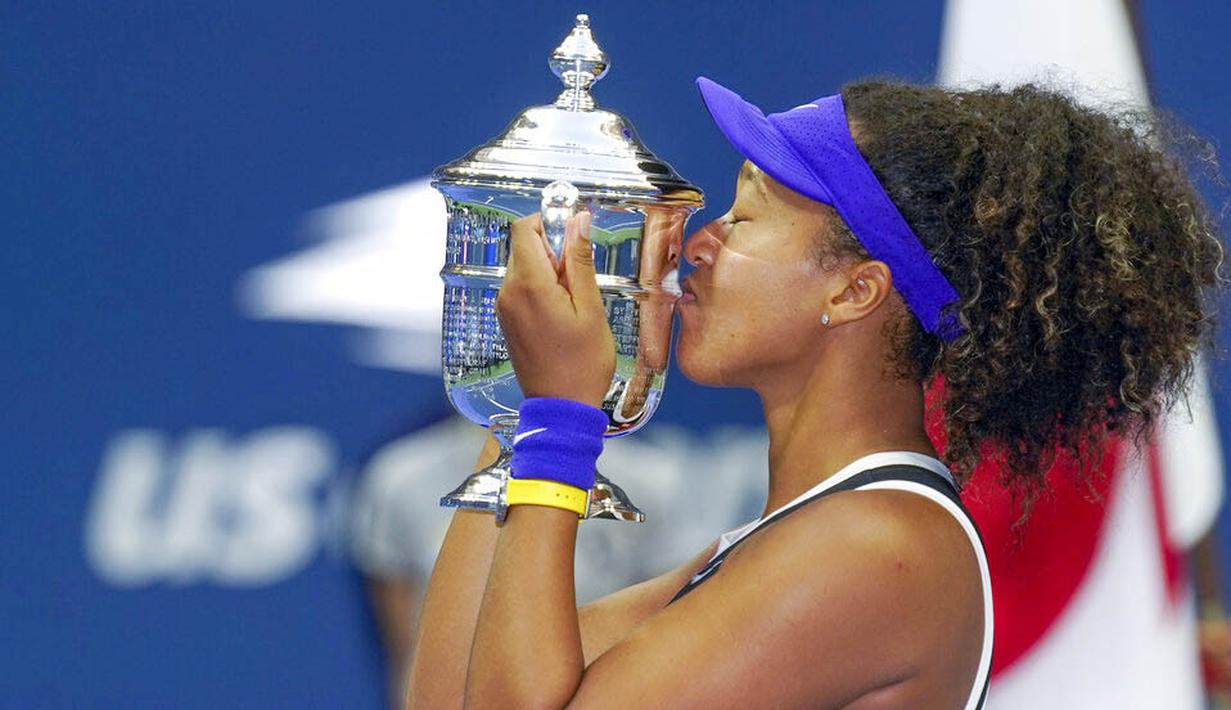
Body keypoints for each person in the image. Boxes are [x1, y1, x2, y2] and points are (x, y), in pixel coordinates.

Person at [405, 76, 1223, 709]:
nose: (697, 244)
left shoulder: (877, 548)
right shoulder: (802, 536)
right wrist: (519, 407)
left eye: (747, 218)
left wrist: (564, 420)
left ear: (854, 293)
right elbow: (455, 694)